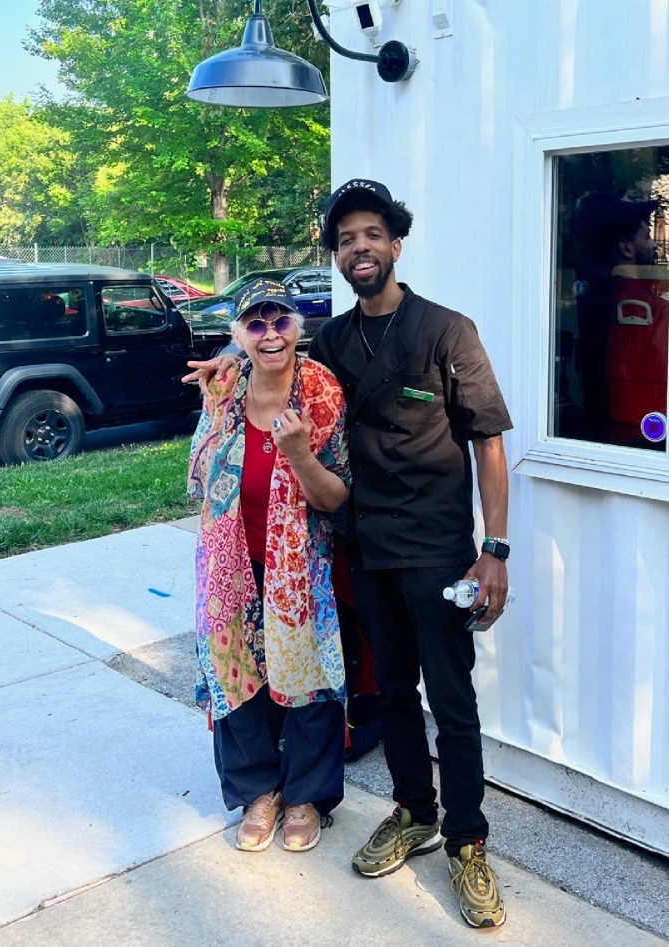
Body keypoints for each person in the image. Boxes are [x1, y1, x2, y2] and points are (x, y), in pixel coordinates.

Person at [185, 179, 513, 929]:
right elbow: (269, 352)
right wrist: (221, 368)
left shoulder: (447, 332)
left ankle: (468, 843)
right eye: (345, 239)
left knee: (452, 703)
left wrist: (492, 549)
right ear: (336, 256)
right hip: (366, 548)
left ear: (396, 244)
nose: (358, 248)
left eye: (372, 234)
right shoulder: (330, 338)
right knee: (390, 693)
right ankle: (413, 812)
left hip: (436, 551)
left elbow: (488, 441)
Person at [186, 276, 351, 855]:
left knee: (305, 675)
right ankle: (259, 791)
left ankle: (305, 796)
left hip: (299, 565)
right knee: (236, 673)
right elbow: (199, 474)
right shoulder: (225, 387)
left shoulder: (322, 391)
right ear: (239, 335)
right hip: (229, 562)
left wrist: (298, 453)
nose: (270, 333)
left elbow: (337, 497)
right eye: (255, 323)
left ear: (297, 327)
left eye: (280, 320)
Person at [573, 191, 667, 445]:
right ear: (626, 248)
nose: (654, 245)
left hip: (597, 434)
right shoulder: (656, 310)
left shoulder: (585, 303)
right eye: (647, 237)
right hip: (647, 437)